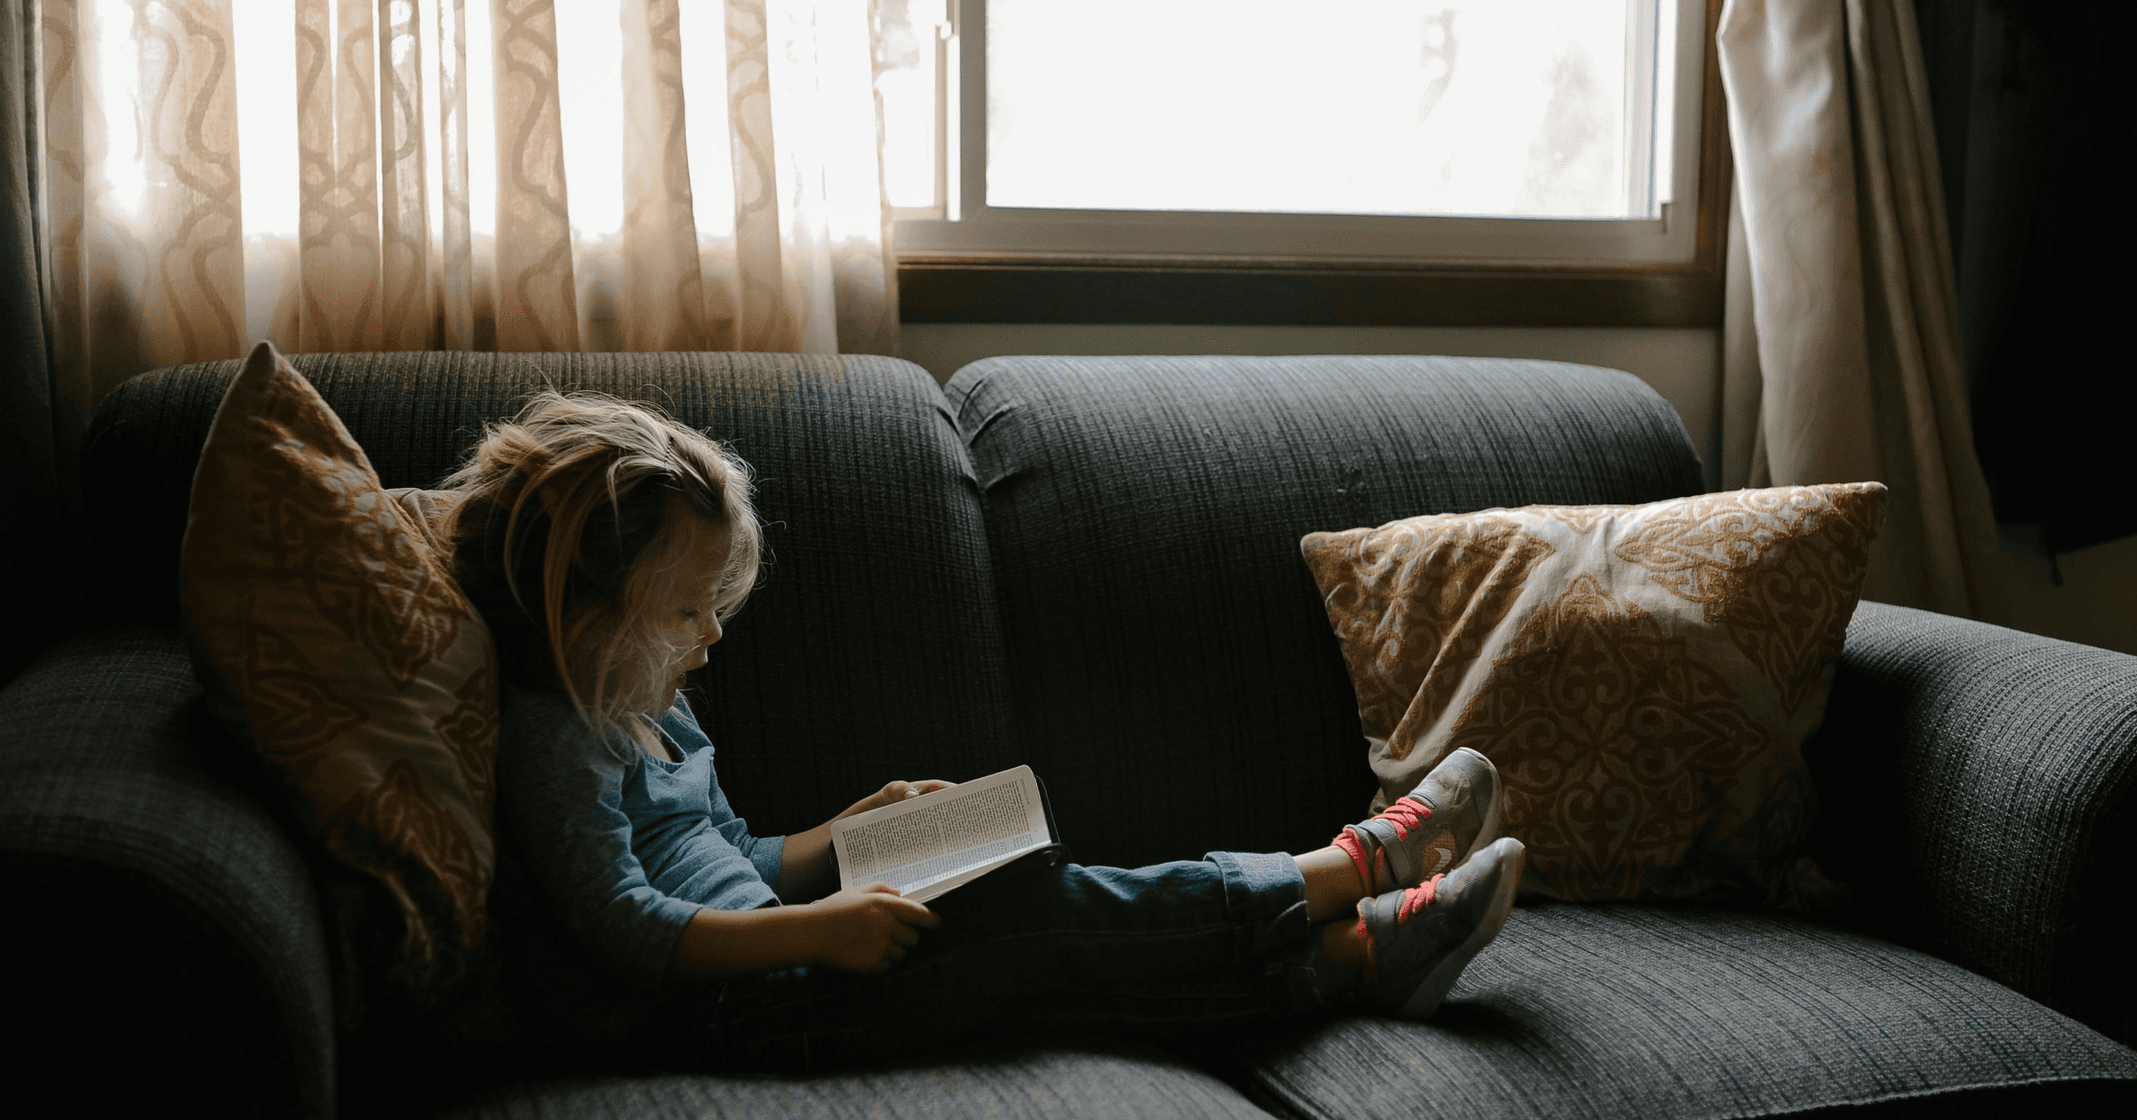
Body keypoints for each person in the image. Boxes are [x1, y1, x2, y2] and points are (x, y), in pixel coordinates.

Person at [442, 390, 1526, 1071]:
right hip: (734, 1013)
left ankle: (1353, 957)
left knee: (1022, 881)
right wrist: (821, 929)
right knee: (1028, 913)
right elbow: (627, 925)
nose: (712, 636)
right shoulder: (557, 736)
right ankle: (1355, 866)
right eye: (685, 611)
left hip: (776, 955)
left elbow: (733, 859)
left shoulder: (647, 698)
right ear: (582, 609)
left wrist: (843, 834)